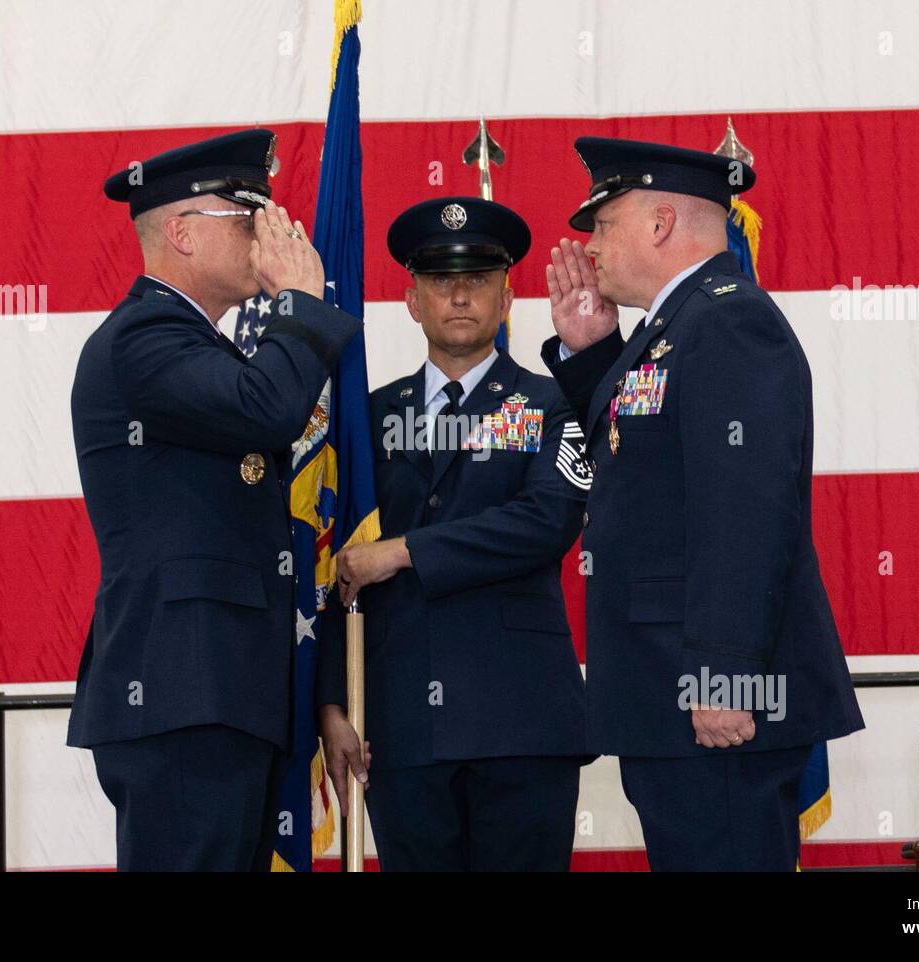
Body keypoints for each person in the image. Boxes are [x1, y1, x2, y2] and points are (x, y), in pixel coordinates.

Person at [541, 137, 865, 871]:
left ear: (659, 223)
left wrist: (724, 671)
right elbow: (644, 464)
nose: (590, 247)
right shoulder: (673, 328)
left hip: (712, 699)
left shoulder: (726, 322)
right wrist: (596, 354)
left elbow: (744, 513)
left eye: (603, 224)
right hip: (667, 692)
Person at [66, 128, 363, 871]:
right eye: (246, 215)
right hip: (178, 691)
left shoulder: (196, 343)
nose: (268, 231)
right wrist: (298, 299)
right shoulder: (144, 337)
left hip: (222, 692)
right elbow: (268, 408)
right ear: (181, 233)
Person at [317, 197, 591, 871]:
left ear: (508, 297)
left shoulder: (555, 402)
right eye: (441, 279)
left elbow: (546, 520)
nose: (460, 294)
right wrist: (329, 702)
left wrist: (405, 551)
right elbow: (331, 559)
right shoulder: (368, 421)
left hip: (521, 724)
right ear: (411, 300)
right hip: (402, 728)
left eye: (479, 278)